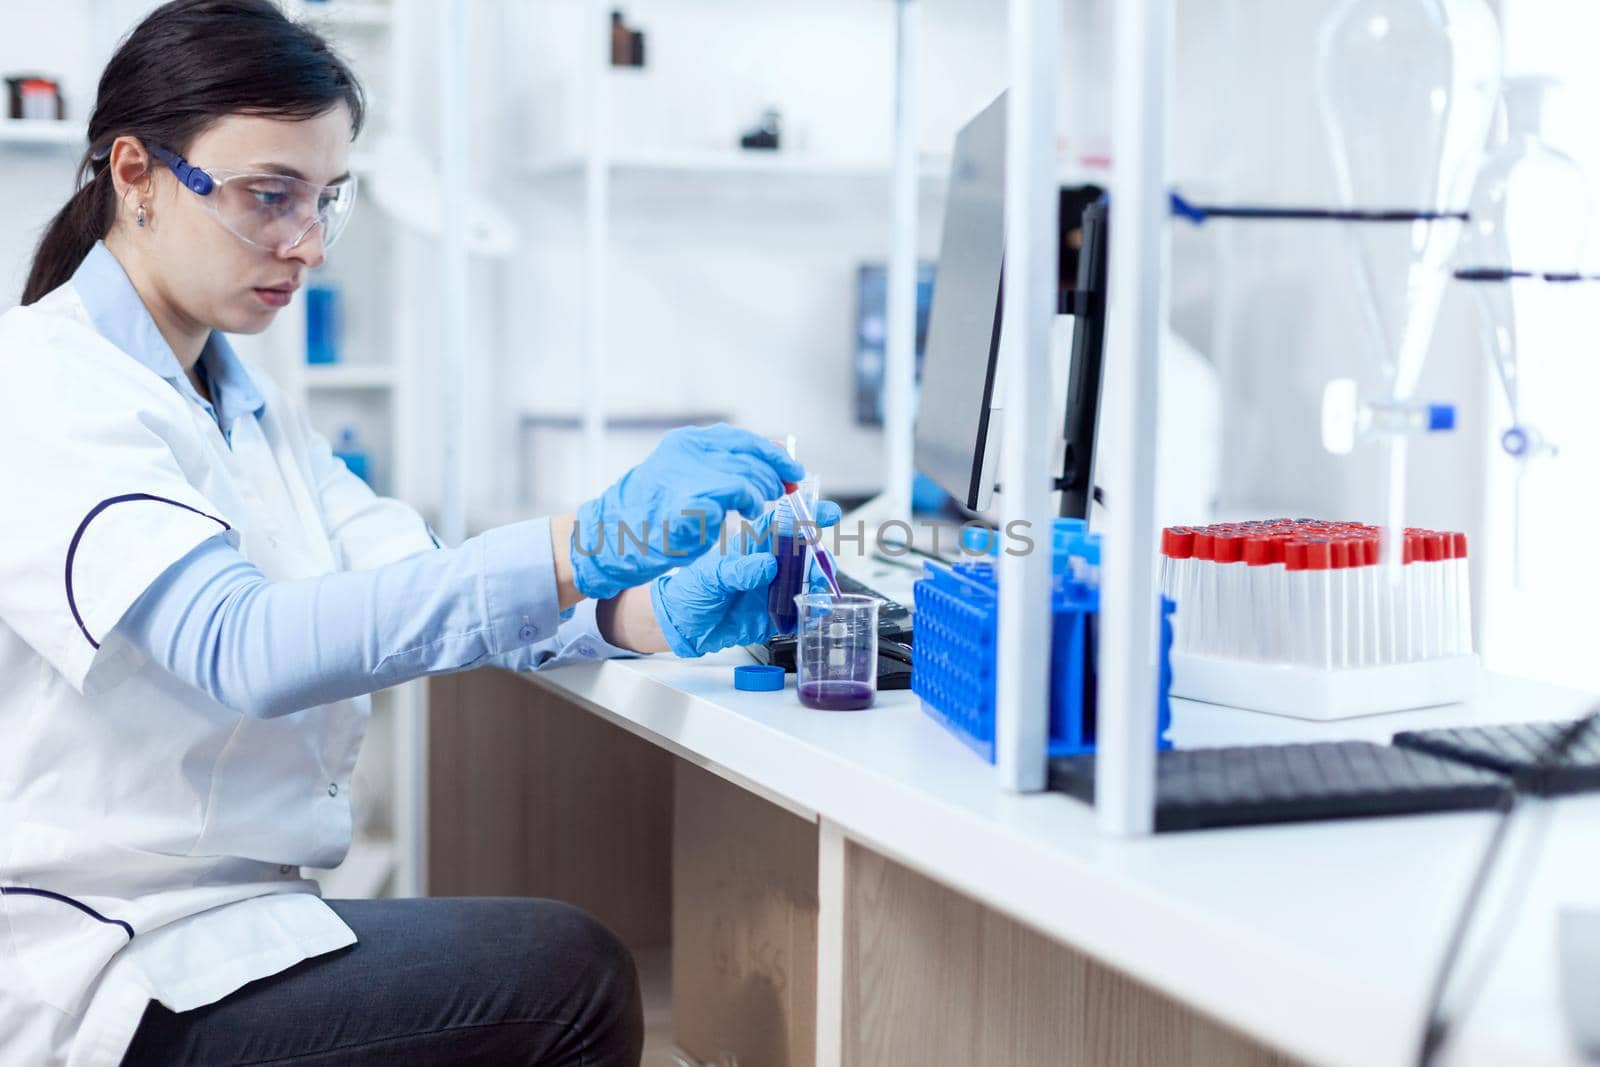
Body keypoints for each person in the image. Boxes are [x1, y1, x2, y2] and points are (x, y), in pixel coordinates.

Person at [0, 2, 835, 1064]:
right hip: (105, 969)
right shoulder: (42, 380)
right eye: (269, 197)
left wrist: (646, 610)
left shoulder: (249, 407)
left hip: (216, 928)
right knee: (568, 970)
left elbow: (430, 586)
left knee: (560, 953)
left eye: (324, 202)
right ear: (136, 174)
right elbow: (239, 645)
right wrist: (582, 540)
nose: (304, 244)